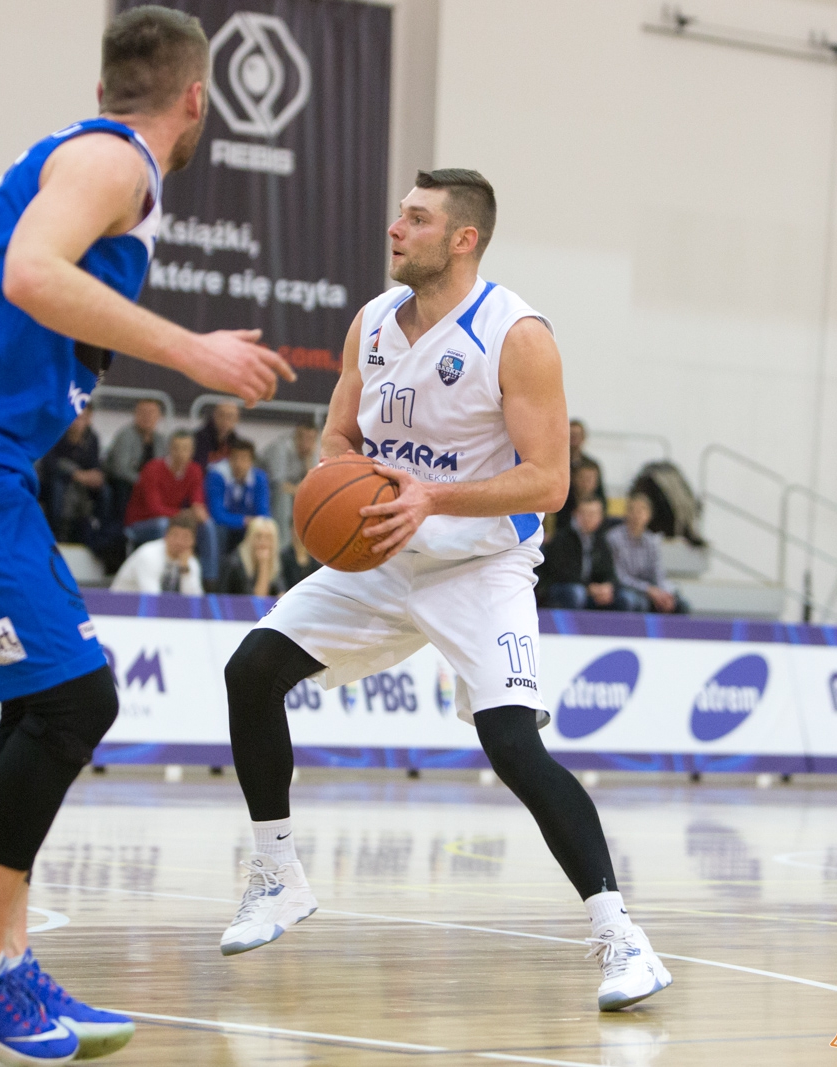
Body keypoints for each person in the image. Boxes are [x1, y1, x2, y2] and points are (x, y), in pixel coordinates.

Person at [0, 8, 292, 1063]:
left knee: (47, 693)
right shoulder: (114, 160)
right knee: (75, 696)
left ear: (105, 85)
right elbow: (31, 274)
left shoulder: (82, 152)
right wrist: (193, 354)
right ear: (195, 98)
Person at [215, 168, 671, 1012]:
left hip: (480, 566)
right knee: (251, 672)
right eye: (399, 213)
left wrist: (432, 496)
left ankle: (623, 938)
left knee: (512, 746)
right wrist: (339, 480)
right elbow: (336, 432)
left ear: (463, 238)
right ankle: (278, 875)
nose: (396, 227)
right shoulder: (372, 324)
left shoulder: (516, 333)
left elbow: (549, 483)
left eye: (416, 218)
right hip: (384, 551)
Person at [536, 496, 630, 611]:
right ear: (576, 514)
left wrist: (608, 586)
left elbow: (609, 571)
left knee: (623, 598)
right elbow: (560, 573)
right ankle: (567, 627)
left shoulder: (601, 541)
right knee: (577, 593)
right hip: (561, 588)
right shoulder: (562, 538)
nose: (590, 518)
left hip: (590, 590)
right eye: (586, 513)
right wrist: (588, 587)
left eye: (594, 514)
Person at [203, 439, 270, 586]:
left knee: (266, 528)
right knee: (215, 529)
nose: (239, 464)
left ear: (251, 461)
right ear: (229, 459)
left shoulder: (259, 478)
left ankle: (265, 579)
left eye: (244, 459)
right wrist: (244, 521)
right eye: (235, 458)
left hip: (246, 528)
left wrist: (253, 523)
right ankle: (213, 582)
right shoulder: (216, 475)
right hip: (224, 527)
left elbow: (263, 513)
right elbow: (216, 514)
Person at [607, 492, 686, 614]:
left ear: (648, 516)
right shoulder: (614, 538)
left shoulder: (652, 540)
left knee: (679, 604)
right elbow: (621, 577)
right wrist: (648, 590)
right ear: (626, 513)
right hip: (625, 588)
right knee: (633, 600)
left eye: (641, 511)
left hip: (650, 588)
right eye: (632, 510)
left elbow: (658, 572)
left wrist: (662, 593)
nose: (636, 515)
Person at [124, 428, 207, 544]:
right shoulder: (152, 469)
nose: (180, 453)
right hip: (141, 522)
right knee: (164, 525)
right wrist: (184, 514)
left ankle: (209, 562)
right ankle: (165, 561)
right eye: (176, 448)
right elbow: (154, 508)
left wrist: (198, 510)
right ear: (169, 448)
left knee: (207, 524)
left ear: (192, 451)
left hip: (173, 519)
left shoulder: (195, 470)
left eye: (185, 449)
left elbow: (197, 497)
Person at [37, 407, 105, 541]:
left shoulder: (92, 438)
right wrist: (75, 474)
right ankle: (55, 531)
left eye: (81, 417)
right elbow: (49, 464)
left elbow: (95, 465)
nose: (77, 421)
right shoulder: (56, 433)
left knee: (104, 491)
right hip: (54, 480)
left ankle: (98, 534)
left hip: (81, 482)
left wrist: (95, 475)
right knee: (58, 489)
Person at [102, 397, 167, 518]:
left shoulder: (161, 440)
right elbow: (120, 468)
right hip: (124, 483)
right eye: (143, 412)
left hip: (149, 486)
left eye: (151, 413)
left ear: (159, 416)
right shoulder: (125, 435)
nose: (147, 417)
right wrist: (144, 482)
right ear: (135, 414)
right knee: (123, 487)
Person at [110, 510, 202, 594]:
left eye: (185, 537)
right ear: (166, 535)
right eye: (175, 535)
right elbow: (153, 598)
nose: (179, 541)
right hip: (119, 608)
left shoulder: (190, 562)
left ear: (193, 541)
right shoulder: (148, 555)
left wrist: (185, 570)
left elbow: (194, 602)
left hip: (149, 609)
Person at [260, 422, 318, 547]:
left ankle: (308, 553)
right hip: (264, 490)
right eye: (304, 437)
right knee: (284, 497)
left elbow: (313, 486)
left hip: (292, 491)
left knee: (318, 501)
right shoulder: (280, 449)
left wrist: (308, 460)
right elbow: (279, 484)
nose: (307, 442)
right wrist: (302, 490)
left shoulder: (310, 454)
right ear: (296, 436)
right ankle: (283, 547)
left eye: (312, 439)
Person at [219, 515, 284, 597]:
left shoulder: (277, 563)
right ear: (249, 539)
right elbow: (256, 602)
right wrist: (263, 565)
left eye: (268, 538)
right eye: (259, 536)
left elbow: (281, 593)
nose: (263, 542)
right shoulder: (235, 564)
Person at [192, 399, 246, 469]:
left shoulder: (237, 443)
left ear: (236, 419)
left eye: (230, 416)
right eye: (221, 415)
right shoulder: (197, 439)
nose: (225, 420)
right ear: (214, 415)